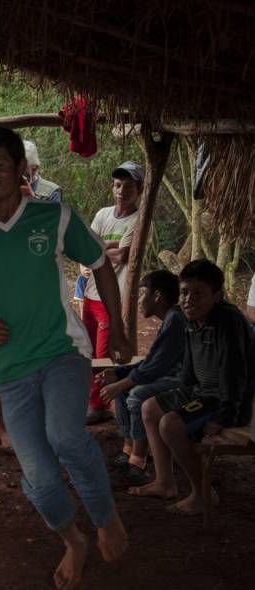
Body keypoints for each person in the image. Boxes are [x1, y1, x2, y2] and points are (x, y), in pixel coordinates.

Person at [0, 127, 131, 590]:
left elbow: (100, 263)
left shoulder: (55, 216)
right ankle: (72, 540)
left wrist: (120, 329)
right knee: (37, 474)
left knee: (65, 435)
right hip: (12, 367)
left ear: (20, 169)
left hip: (63, 350)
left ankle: (105, 517)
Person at [129, 260, 255, 514]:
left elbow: (235, 374)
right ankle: (165, 483)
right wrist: (178, 391)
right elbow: (189, 370)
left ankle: (203, 494)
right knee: (150, 408)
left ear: (217, 296)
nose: (189, 300)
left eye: (199, 294)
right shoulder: (190, 318)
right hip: (203, 391)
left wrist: (225, 417)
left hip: (228, 398)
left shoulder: (228, 322)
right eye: (185, 292)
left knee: (171, 424)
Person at [97, 270, 186, 482]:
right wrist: (118, 373)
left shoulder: (175, 318)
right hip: (170, 376)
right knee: (124, 384)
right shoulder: (170, 318)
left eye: (142, 293)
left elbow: (156, 367)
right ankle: (128, 451)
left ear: (157, 296)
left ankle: (138, 462)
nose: (139, 300)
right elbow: (152, 361)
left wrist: (122, 383)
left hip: (182, 381)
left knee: (137, 393)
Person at [84, 161, 144, 424]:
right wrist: (104, 248)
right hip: (90, 292)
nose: (122, 191)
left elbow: (121, 256)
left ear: (139, 190)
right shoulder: (102, 214)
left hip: (114, 297)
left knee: (105, 354)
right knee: (85, 350)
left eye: (128, 187)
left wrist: (99, 248)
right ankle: (91, 399)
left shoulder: (139, 219)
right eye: (118, 185)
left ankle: (100, 405)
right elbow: (85, 247)